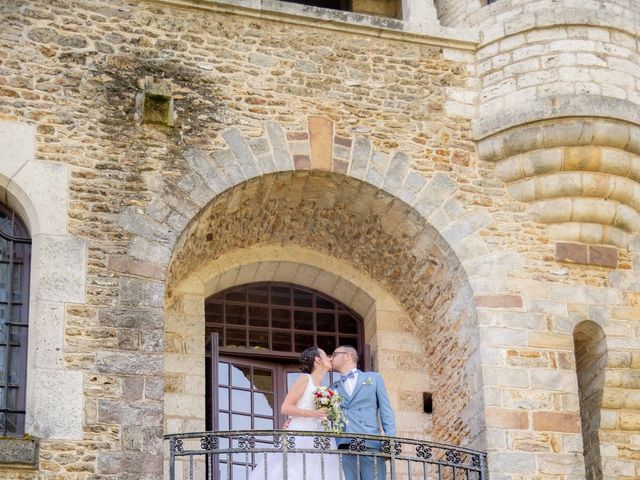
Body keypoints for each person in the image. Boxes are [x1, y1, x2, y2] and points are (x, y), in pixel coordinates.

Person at [249, 346, 343, 480]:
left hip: (320, 434)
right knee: (295, 471)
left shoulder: (324, 388)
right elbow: (285, 408)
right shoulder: (305, 379)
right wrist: (313, 413)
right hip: (301, 433)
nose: (329, 358)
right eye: (325, 356)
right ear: (317, 359)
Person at [331, 345, 396, 480]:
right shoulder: (332, 388)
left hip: (371, 443)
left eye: (334, 355)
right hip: (344, 445)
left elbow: (386, 411)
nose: (331, 359)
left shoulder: (374, 378)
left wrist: (390, 442)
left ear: (348, 356)